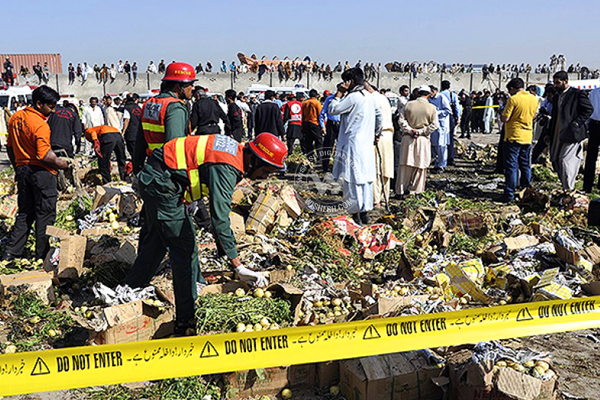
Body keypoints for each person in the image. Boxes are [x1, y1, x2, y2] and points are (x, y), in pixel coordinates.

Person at [125, 133, 287, 335]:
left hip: (160, 176)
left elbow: (197, 164)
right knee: (184, 250)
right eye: (266, 171)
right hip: (162, 183)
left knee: (157, 243)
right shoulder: (227, 167)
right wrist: (238, 265)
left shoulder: (235, 152)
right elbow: (220, 219)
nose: (265, 177)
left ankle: (129, 290)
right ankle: (186, 320)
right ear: (254, 159)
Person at [3, 86, 71, 261]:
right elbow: (44, 155)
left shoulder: (16, 118)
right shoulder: (40, 124)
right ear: (39, 104)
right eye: (50, 106)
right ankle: (42, 256)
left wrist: (18, 166)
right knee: (45, 214)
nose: (53, 110)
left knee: (25, 212)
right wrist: (61, 164)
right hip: (41, 173)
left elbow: (10, 147)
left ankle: (11, 253)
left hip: (23, 171)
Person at [329, 68, 382, 225]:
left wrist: (338, 94)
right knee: (365, 179)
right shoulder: (370, 97)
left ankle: (356, 214)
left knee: (352, 180)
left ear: (350, 82)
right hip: (366, 144)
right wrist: (376, 133)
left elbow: (333, 110)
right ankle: (365, 211)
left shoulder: (353, 98)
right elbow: (379, 116)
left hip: (353, 145)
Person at [133, 62, 198, 174]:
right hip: (167, 172)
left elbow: (140, 142)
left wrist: (137, 171)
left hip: (152, 167)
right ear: (179, 86)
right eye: (190, 84)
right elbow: (175, 147)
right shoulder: (175, 108)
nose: (193, 88)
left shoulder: (149, 104)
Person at [548, 71, 594, 191]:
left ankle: (569, 189)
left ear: (566, 81)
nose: (555, 85)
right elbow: (554, 116)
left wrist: (576, 123)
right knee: (556, 160)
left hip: (571, 134)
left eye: (558, 83)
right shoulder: (557, 96)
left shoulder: (577, 94)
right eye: (554, 83)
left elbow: (588, 110)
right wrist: (549, 133)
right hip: (557, 134)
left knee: (566, 162)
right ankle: (565, 187)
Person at [500, 78, 539, 202]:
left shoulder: (513, 99)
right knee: (525, 165)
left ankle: (509, 194)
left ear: (512, 88)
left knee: (511, 166)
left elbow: (505, 118)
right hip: (527, 136)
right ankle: (526, 191)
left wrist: (501, 113)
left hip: (514, 136)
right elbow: (533, 116)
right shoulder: (534, 99)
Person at [396, 85, 439, 195]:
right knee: (420, 166)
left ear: (418, 94)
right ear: (429, 95)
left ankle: (400, 190)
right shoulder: (432, 108)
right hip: (422, 139)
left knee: (405, 165)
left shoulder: (408, 105)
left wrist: (410, 130)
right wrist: (421, 131)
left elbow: (401, 121)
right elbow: (434, 125)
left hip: (407, 138)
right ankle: (416, 191)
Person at [366, 83, 394, 208]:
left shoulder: (371, 99)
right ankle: (384, 197)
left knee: (375, 168)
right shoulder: (383, 98)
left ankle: (376, 200)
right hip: (387, 135)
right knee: (385, 169)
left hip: (377, 136)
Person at [428, 86, 452, 173]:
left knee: (441, 146)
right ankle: (436, 163)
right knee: (434, 145)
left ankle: (442, 165)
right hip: (433, 125)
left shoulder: (442, 98)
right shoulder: (429, 99)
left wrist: (437, 113)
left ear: (435, 91)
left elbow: (448, 110)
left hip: (442, 125)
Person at [319, 91, 341, 172]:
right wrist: (323, 126)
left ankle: (339, 168)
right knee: (328, 145)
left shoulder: (346, 99)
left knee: (342, 147)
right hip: (331, 124)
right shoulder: (330, 99)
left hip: (342, 124)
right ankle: (325, 168)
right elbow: (322, 113)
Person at [583, 87, 600, 193]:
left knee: (591, 157)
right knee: (590, 157)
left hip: (595, 125)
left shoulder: (594, 93)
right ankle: (587, 186)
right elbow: (589, 110)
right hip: (595, 125)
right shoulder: (594, 93)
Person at [440, 80, 461, 166]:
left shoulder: (439, 95)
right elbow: (456, 107)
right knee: (451, 138)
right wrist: (458, 118)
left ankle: (441, 158)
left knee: (442, 138)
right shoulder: (453, 95)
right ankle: (450, 158)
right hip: (451, 118)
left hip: (441, 118)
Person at [301, 89, 323, 162]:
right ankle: (320, 158)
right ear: (316, 95)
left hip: (306, 123)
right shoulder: (317, 103)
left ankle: (310, 158)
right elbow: (320, 114)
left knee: (308, 142)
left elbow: (303, 115)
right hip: (315, 123)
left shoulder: (304, 103)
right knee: (318, 141)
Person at [122, 93, 142, 158]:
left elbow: (127, 120)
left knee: (132, 151)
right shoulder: (138, 107)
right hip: (139, 132)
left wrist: (123, 131)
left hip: (130, 133)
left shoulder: (127, 108)